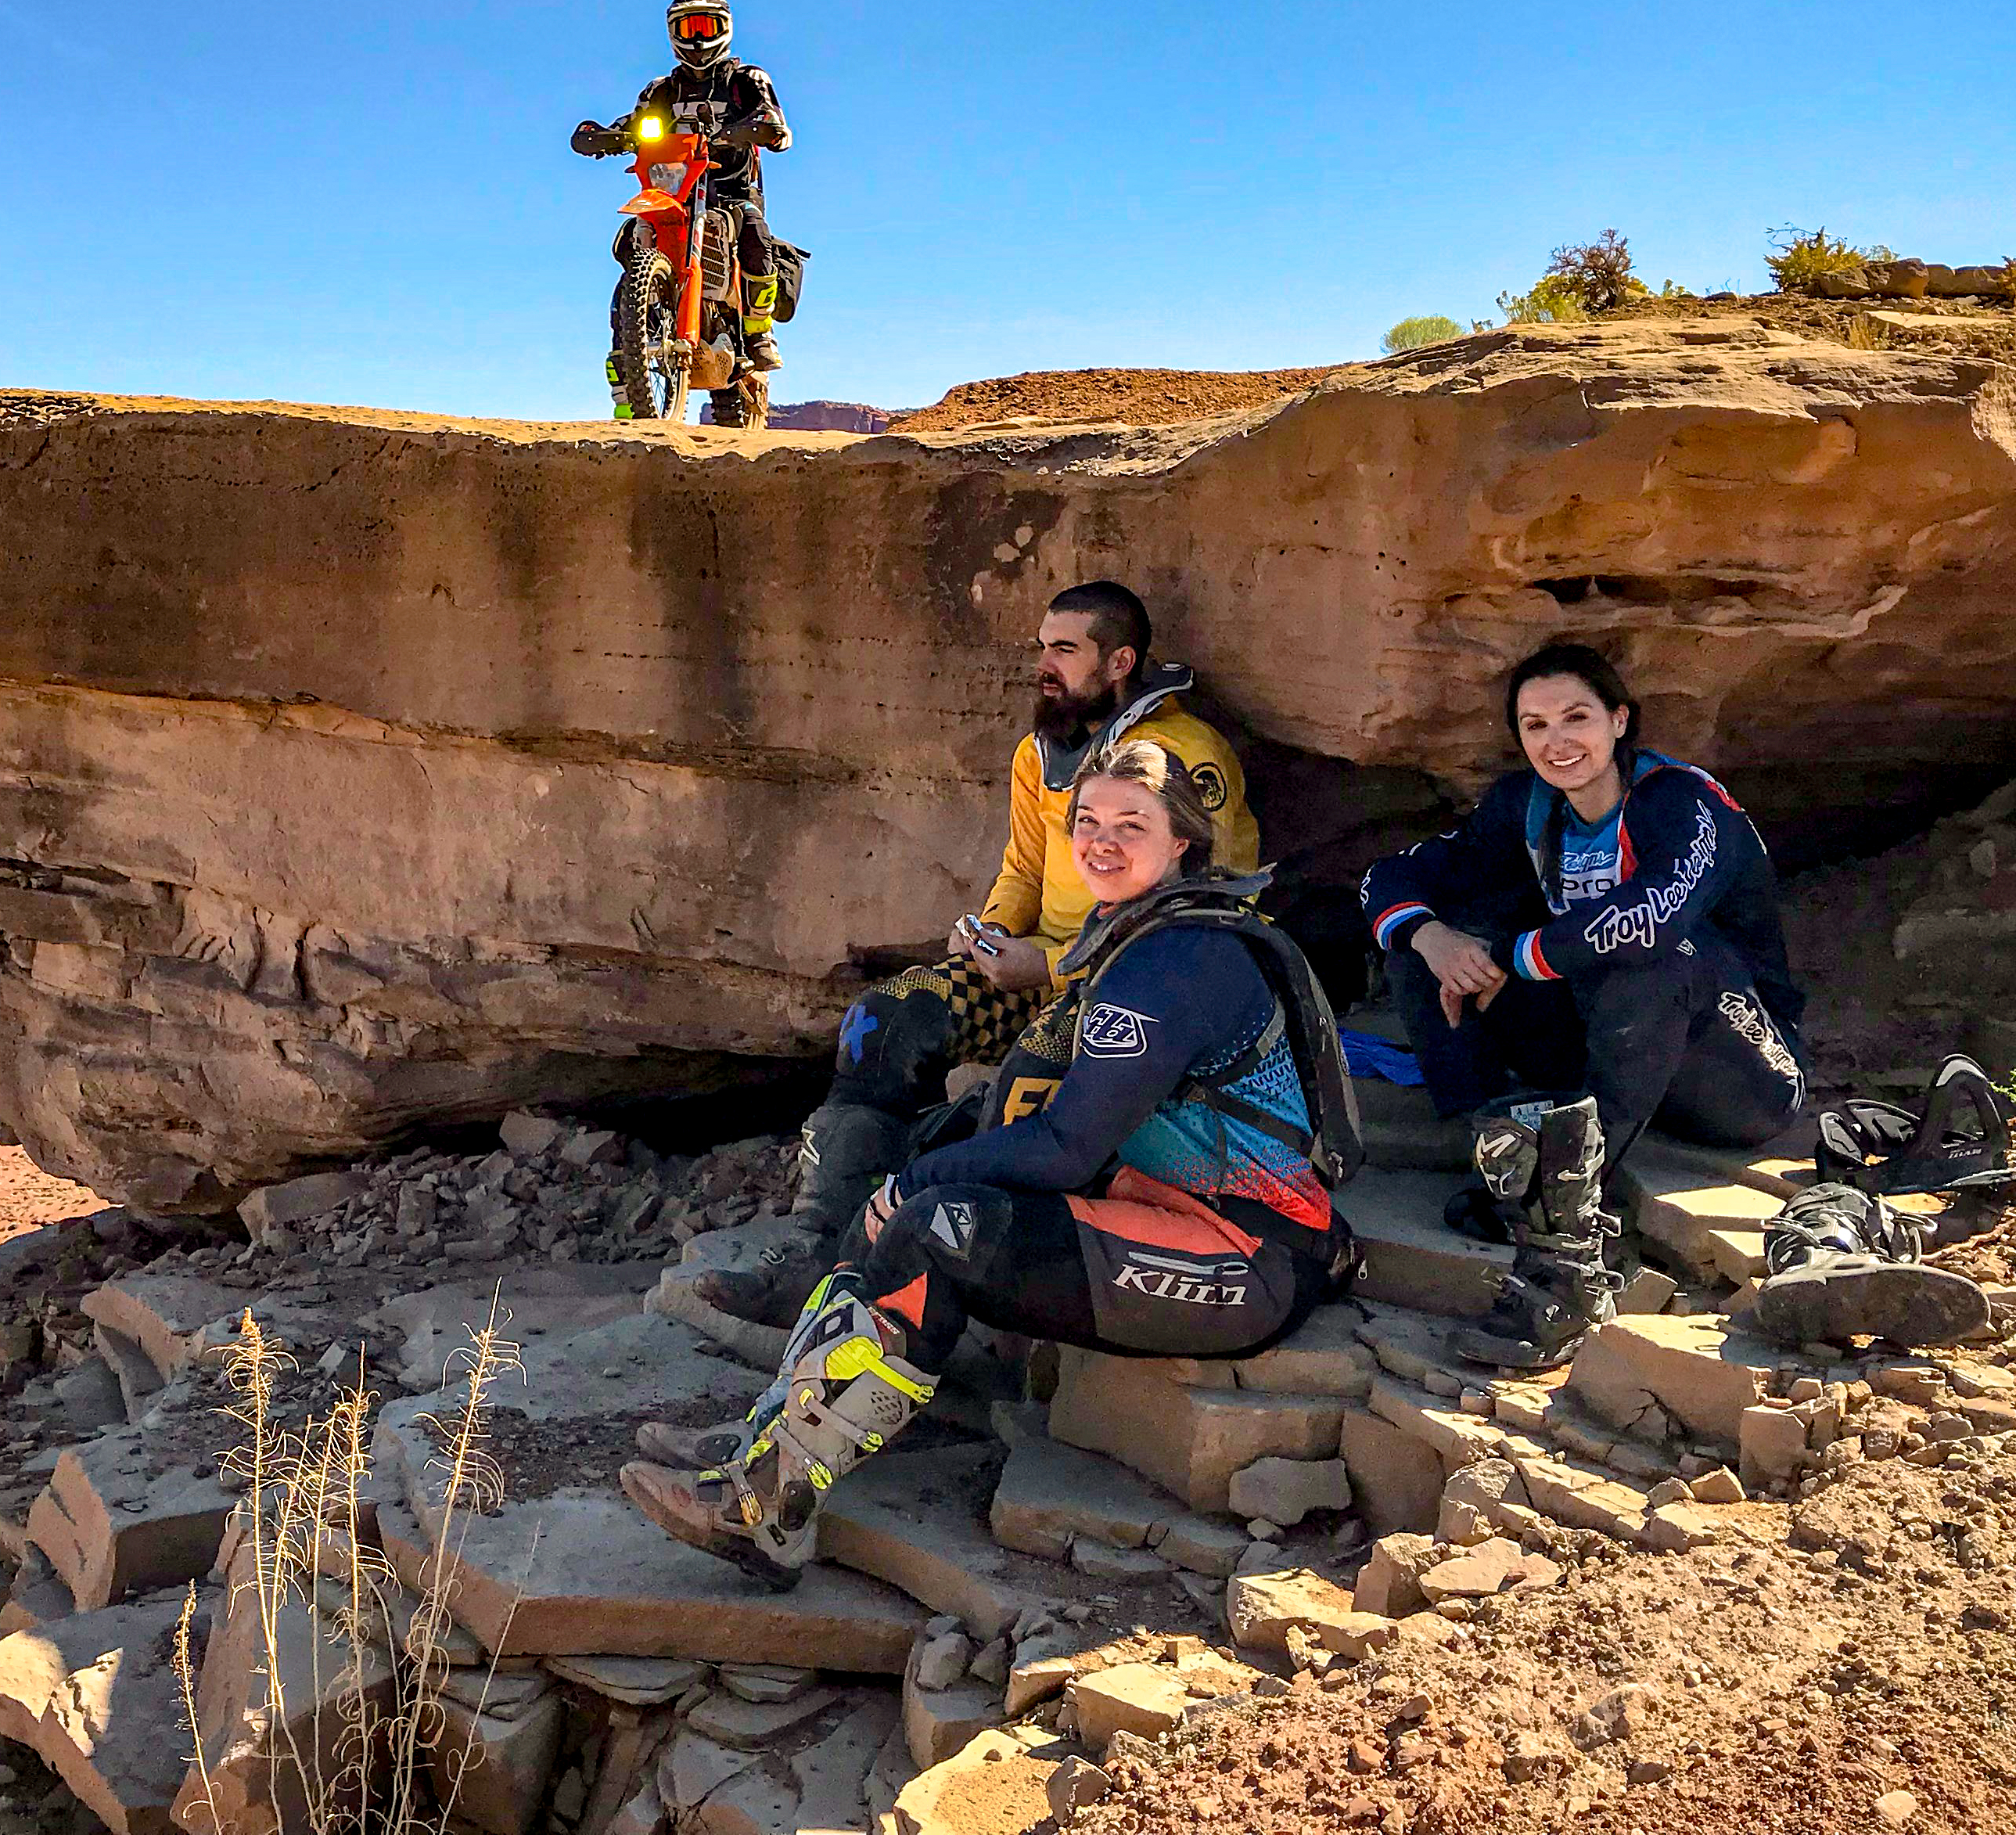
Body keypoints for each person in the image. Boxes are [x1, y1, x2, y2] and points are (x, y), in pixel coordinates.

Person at [622, 739, 1359, 1588]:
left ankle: (768, 1506)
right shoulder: (1145, 934)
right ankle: (773, 1440)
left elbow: (1067, 1147)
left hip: (1248, 1256)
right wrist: (928, 1163)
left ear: (1182, 842)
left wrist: (911, 1182)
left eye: (1131, 825)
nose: (1101, 842)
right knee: (931, 1169)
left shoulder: (1180, 959)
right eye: (1087, 822)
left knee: (938, 1222)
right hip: (1168, 1206)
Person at [690, 581, 1259, 1330]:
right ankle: (813, 1248)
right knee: (881, 1023)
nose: (1043, 665)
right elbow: (1023, 867)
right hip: (1035, 970)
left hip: (1122, 983)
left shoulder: (1186, 757)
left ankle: (906, 1267)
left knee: (1014, 1096)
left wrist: (1050, 968)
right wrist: (989, 935)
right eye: (1042, 647)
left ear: (1120, 661)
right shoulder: (1041, 752)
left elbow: (1217, 903)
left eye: (1065, 650)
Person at [1355, 642, 1813, 1369]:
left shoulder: (1684, 801)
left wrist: (1513, 956)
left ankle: (1571, 1198)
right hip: (1606, 1041)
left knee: (1658, 960)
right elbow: (1390, 877)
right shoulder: (1526, 805)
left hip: (1736, 1073)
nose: (1557, 742)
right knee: (1425, 947)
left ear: (1620, 720)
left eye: (1577, 718)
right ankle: (1493, 1153)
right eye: (1535, 726)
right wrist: (1434, 938)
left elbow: (1649, 919)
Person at [571, 0, 796, 406]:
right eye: (688, 27)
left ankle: (758, 330)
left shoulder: (746, 80)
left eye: (705, 26)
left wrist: (761, 128)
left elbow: (772, 119)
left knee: (754, 233)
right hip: (672, 189)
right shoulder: (661, 90)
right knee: (630, 243)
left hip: (731, 189)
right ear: (673, 32)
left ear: (724, 29)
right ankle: (628, 359)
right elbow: (636, 122)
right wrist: (604, 135)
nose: (697, 37)